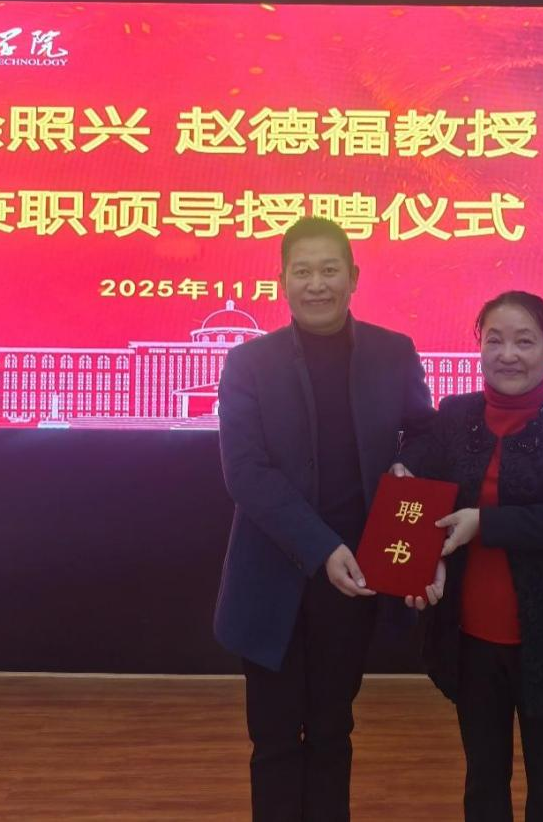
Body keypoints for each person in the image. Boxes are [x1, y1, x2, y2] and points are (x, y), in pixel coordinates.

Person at [213, 216, 436, 822]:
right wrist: (321, 547)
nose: (317, 284)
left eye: (330, 270)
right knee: (274, 739)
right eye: (303, 271)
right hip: (273, 575)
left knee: (334, 731)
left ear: (353, 277)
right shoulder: (248, 363)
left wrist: (409, 467)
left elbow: (425, 435)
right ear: (282, 282)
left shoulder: (393, 352)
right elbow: (246, 472)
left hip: (356, 577)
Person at [400, 290, 543, 822]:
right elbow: (417, 482)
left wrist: (484, 523)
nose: (507, 355)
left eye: (524, 341)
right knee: (483, 779)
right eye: (494, 341)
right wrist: (416, 547)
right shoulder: (454, 415)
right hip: (470, 636)